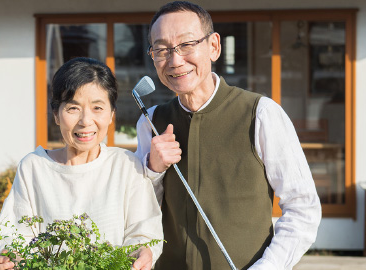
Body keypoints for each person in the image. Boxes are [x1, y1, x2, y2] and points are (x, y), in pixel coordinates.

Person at [134, 1, 322, 269]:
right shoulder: (150, 121)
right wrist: (153, 169)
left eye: (187, 44)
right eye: (162, 50)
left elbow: (302, 208)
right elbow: (139, 211)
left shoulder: (261, 113)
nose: (175, 60)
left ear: (214, 46)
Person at [0, 57, 163, 270]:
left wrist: (142, 251)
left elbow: (143, 232)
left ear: (111, 115)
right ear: (56, 114)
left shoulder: (126, 165)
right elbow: (14, 235)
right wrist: (10, 255)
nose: (85, 121)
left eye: (98, 108)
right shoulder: (34, 168)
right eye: (73, 108)